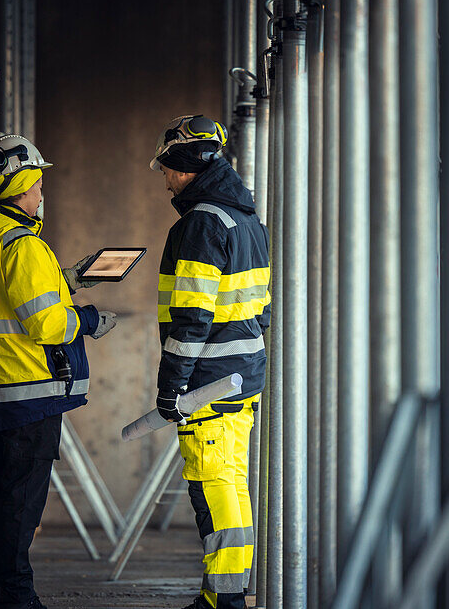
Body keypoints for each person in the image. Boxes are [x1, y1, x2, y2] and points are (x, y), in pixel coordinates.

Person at [0, 134, 118, 609]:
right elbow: (49, 323)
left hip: (4, 386)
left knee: (7, 493)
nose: (41, 192)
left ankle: (7, 595)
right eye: (38, 183)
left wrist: (65, 279)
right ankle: (14, 600)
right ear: (24, 184)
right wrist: (89, 318)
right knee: (20, 503)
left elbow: (14, 297)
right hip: (29, 387)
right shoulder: (24, 245)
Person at [150, 115, 271, 609]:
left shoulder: (202, 222)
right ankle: (222, 593)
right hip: (239, 377)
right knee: (231, 486)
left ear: (185, 167)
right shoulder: (244, 219)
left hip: (207, 384)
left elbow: (193, 319)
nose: (164, 177)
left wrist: (171, 386)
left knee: (215, 488)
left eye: (166, 168)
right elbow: (260, 311)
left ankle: (226, 601)